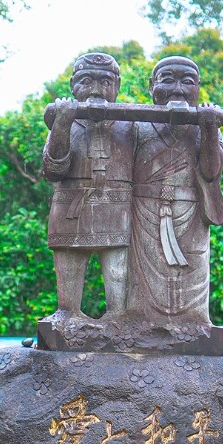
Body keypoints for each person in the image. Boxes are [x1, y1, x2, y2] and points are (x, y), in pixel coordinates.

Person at [127, 56, 223, 326]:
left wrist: (208, 130)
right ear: (151, 86)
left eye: (187, 82)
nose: (178, 89)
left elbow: (210, 172)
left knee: (192, 274)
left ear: (198, 88)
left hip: (190, 212)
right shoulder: (137, 124)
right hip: (144, 212)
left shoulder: (208, 125)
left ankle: (194, 327)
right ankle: (140, 325)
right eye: (168, 80)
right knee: (141, 279)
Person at [42, 53, 136, 318]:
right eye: (87, 81)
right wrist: (61, 124)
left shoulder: (131, 124)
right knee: (67, 309)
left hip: (118, 213)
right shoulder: (63, 121)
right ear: (73, 85)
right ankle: (68, 314)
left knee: (119, 306)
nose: (96, 90)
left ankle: (117, 321)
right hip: (71, 209)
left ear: (117, 86)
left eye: (105, 82)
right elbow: (53, 170)